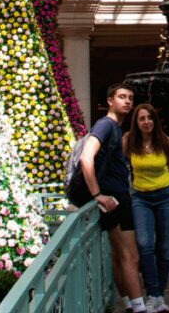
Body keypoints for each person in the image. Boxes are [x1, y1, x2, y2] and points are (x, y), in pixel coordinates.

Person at [67, 83, 146, 313]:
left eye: (130, 97)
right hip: (114, 199)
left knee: (120, 254)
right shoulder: (106, 125)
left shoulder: (114, 127)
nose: (128, 101)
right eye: (122, 97)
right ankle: (139, 307)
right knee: (130, 256)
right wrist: (97, 194)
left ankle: (131, 303)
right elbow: (86, 158)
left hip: (115, 198)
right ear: (110, 100)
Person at [124, 103, 169, 313]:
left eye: (149, 118)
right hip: (140, 197)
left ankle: (159, 295)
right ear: (136, 122)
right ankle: (152, 294)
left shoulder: (165, 142)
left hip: (167, 196)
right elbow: (117, 166)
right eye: (142, 119)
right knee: (144, 244)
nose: (146, 122)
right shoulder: (128, 141)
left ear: (155, 120)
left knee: (163, 247)